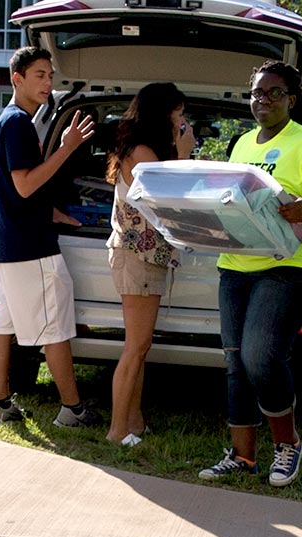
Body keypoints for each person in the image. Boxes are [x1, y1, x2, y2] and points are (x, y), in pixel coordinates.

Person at [199, 61, 302, 487]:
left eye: (273, 93)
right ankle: (243, 457)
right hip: (239, 264)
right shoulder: (242, 143)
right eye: (256, 93)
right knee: (235, 362)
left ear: (292, 100)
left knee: (260, 354)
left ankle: (288, 444)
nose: (262, 100)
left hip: (296, 265)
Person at [0, 45, 96, 428]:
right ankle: (73, 410)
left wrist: (57, 213)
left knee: (1, 325)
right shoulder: (17, 124)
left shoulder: (10, 121)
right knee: (57, 330)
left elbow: (15, 194)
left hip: (5, 247)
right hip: (30, 250)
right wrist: (67, 148)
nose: (48, 82)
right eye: (39, 75)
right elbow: (26, 185)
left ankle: (1, 404)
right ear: (17, 79)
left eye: (50, 75)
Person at [104, 82, 196, 445]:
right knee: (135, 347)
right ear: (163, 112)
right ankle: (116, 430)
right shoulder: (142, 152)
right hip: (137, 257)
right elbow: (169, 197)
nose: (182, 119)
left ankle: (134, 422)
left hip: (143, 256)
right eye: (178, 112)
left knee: (139, 346)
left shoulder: (144, 148)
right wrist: (185, 153)